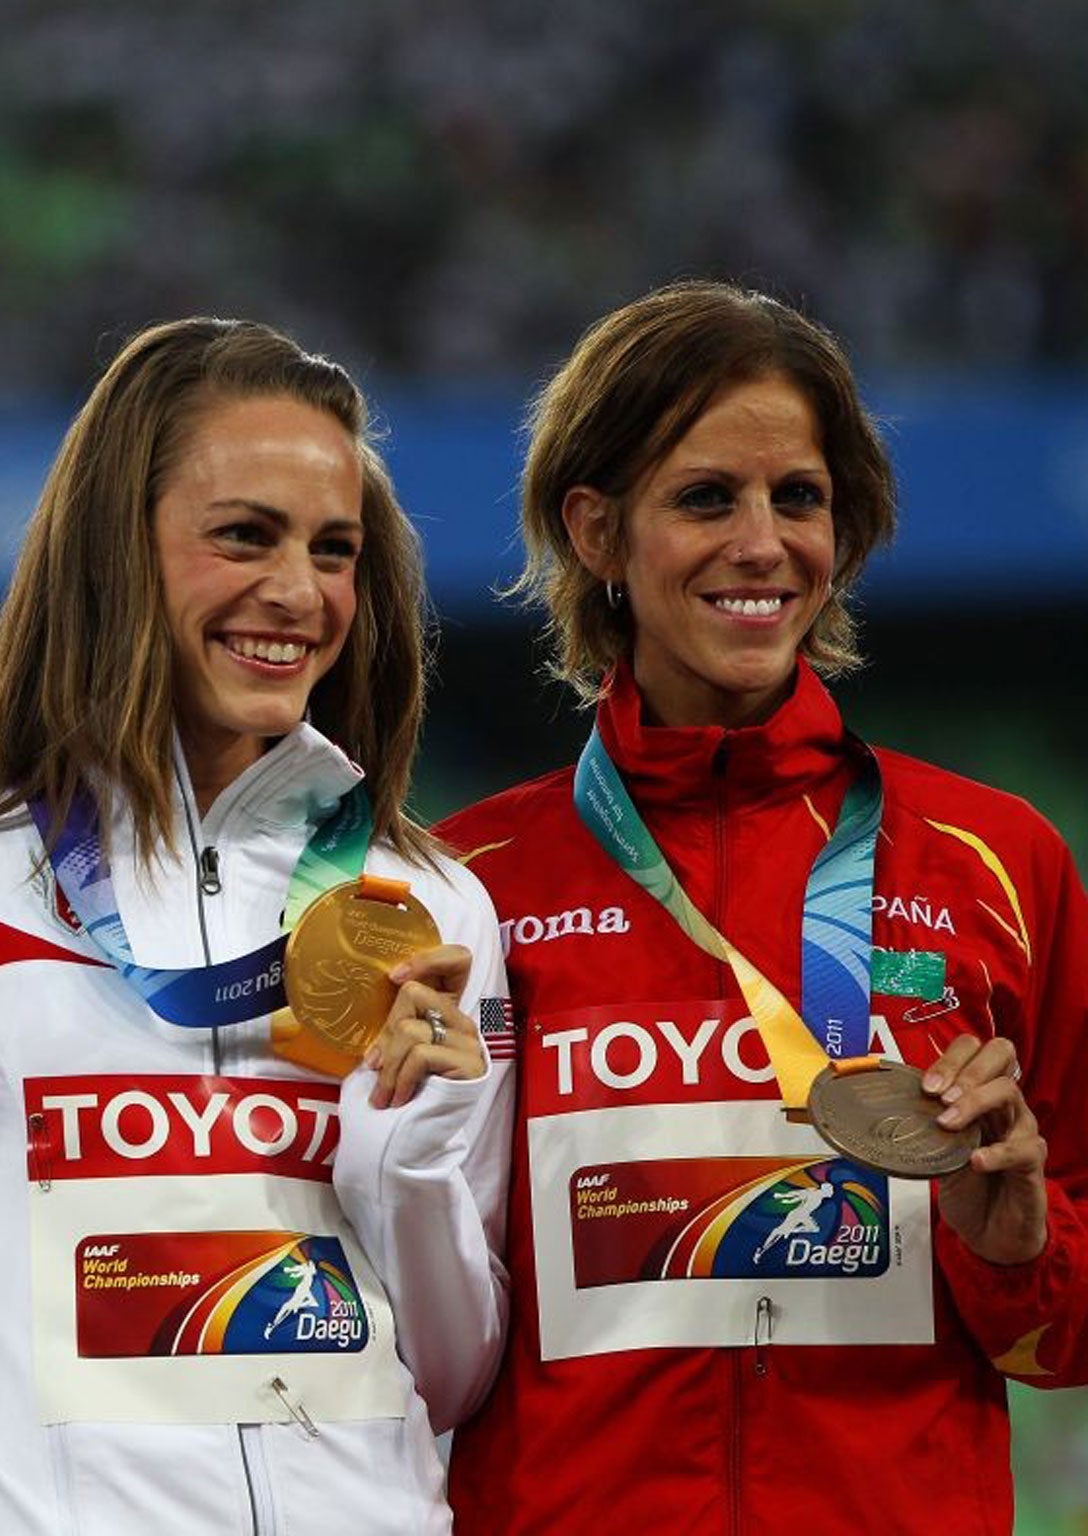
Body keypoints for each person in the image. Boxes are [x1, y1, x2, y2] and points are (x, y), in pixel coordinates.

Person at [0, 317, 514, 1533]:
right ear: (114, 551)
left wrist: (404, 1158)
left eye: (332, 549)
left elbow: (452, 1378)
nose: (296, 593)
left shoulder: (426, 906)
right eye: (243, 535)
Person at [436, 279, 1088, 1534]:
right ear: (593, 528)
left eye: (797, 497)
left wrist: (1011, 1240)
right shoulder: (464, 886)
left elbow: (1062, 1339)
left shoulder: (996, 862)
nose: (759, 543)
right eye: (701, 498)